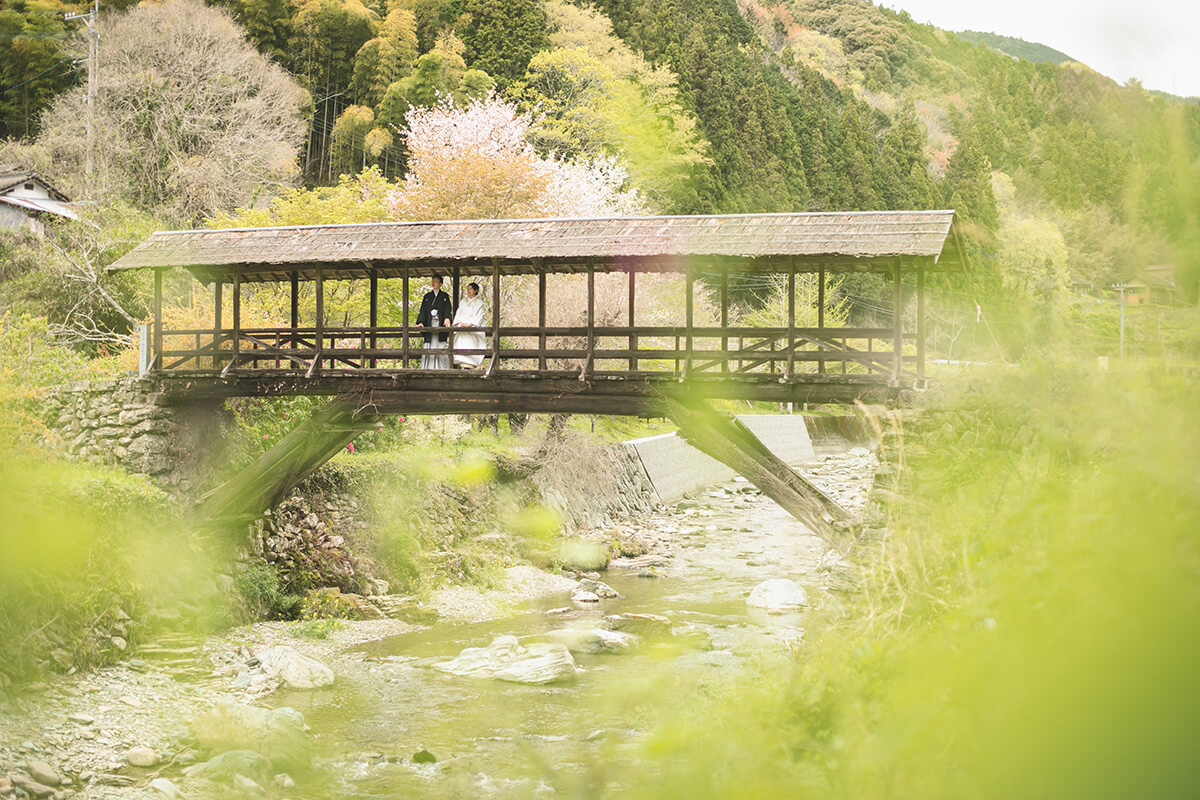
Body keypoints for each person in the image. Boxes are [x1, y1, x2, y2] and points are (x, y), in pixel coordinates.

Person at [414, 274, 452, 369]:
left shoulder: (444, 296)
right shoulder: (427, 297)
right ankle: (428, 367)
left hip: (439, 323)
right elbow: (422, 310)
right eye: (433, 281)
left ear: (441, 284)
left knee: (440, 344)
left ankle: (442, 368)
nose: (433, 283)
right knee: (429, 345)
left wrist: (447, 318)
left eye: (435, 281)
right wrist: (421, 322)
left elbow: (448, 309)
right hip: (429, 323)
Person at [452, 282, 487, 368]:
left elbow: (480, 315)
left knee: (471, 344)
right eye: (467, 289)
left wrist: (471, 324)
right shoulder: (463, 301)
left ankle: (471, 364)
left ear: (476, 290)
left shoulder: (479, 303)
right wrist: (459, 323)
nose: (469, 291)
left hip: (472, 328)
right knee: (461, 344)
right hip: (462, 327)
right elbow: (458, 313)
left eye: (471, 289)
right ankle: (461, 363)